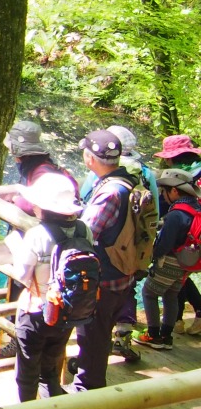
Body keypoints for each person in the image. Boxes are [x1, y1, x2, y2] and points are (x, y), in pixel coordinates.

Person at [6, 173, 90, 409]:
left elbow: (21, 275)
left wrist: (15, 246)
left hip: (35, 312)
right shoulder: (84, 231)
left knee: (27, 373)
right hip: (67, 314)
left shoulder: (37, 235)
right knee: (50, 371)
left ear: (44, 207)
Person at [0, 120, 80, 357]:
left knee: (26, 287)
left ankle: (19, 340)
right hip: (55, 240)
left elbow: (28, 202)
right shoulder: (45, 166)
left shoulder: (40, 172)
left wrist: (15, 199)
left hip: (42, 243)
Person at [73, 129, 138, 393]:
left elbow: (87, 233)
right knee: (100, 332)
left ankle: (88, 389)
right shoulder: (128, 182)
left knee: (93, 335)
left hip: (105, 279)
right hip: (124, 273)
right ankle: (90, 379)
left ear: (90, 157)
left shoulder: (110, 192)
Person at [134, 168, 201, 351]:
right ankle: (166, 336)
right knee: (171, 295)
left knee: (149, 293)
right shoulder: (196, 209)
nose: (163, 195)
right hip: (185, 263)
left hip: (170, 260)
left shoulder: (176, 214)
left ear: (174, 191)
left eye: (164, 191)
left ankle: (153, 335)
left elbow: (164, 244)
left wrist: (151, 257)